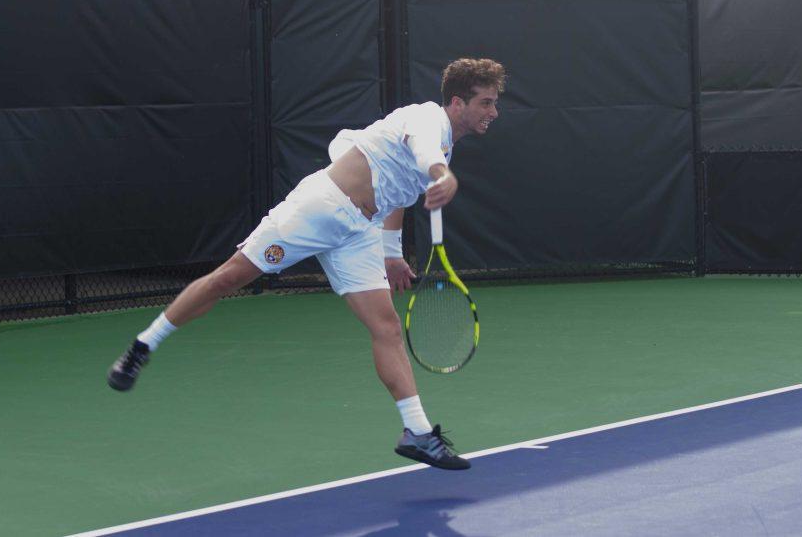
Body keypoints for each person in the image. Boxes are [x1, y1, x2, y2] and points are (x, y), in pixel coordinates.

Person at [105, 58, 507, 472]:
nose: (493, 112)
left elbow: (400, 195)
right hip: (321, 209)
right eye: (486, 102)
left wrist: (391, 253)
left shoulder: (447, 145)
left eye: (494, 103)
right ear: (458, 102)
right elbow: (423, 155)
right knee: (229, 278)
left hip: (359, 232)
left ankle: (418, 433)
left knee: (385, 325)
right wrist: (442, 174)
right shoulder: (425, 119)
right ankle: (142, 347)